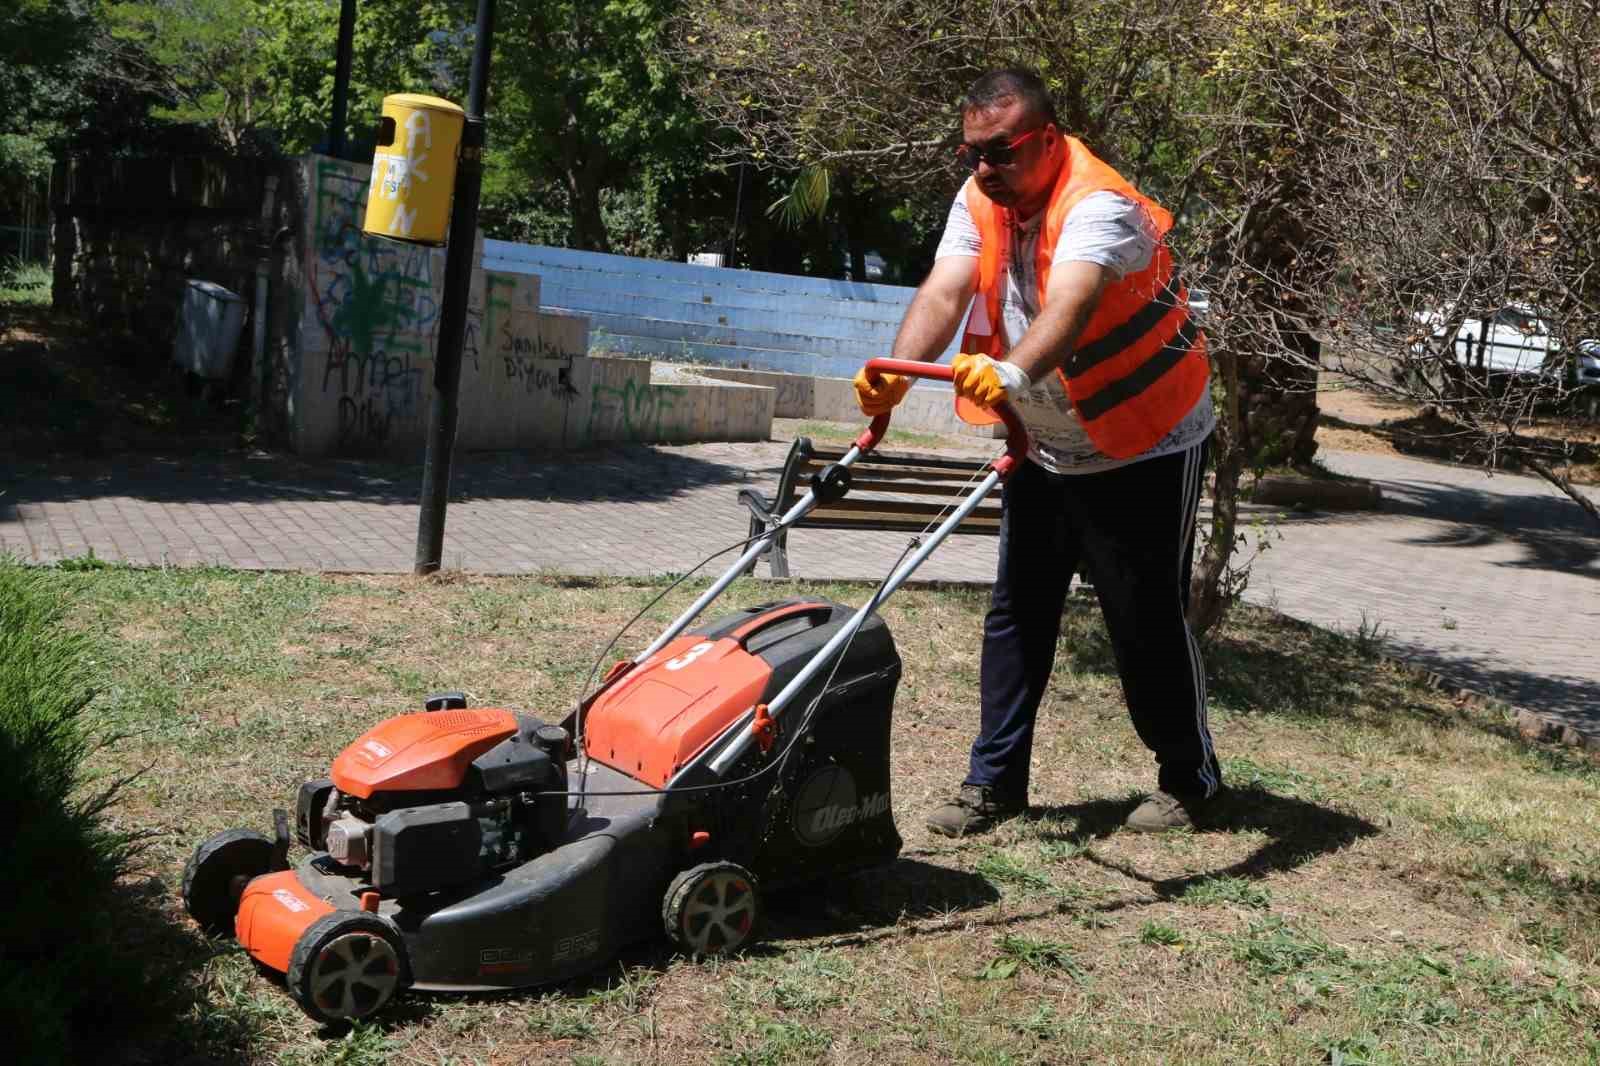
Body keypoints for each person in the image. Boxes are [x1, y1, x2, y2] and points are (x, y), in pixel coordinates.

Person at [854, 69, 1220, 836]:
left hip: (1144, 440)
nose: (985, 168)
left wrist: (1012, 372)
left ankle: (1190, 779)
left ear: (1048, 140)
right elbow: (946, 287)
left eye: (1003, 151)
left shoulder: (1099, 204)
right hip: (1048, 441)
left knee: (1142, 615)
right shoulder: (979, 198)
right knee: (1017, 612)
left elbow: (1073, 302)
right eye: (972, 153)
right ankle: (994, 783)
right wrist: (891, 371)